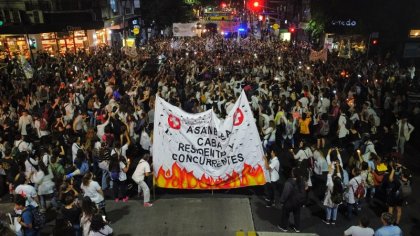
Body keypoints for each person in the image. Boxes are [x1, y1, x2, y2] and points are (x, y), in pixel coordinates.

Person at [277, 168, 306, 233]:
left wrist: (282, 201)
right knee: (297, 215)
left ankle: (284, 227)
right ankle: (297, 228)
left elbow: (285, 193)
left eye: (292, 171)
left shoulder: (289, 182)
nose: (291, 172)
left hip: (289, 202)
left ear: (293, 173)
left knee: (285, 214)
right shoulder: (301, 181)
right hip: (298, 202)